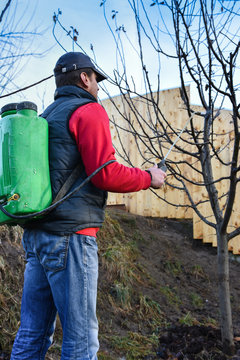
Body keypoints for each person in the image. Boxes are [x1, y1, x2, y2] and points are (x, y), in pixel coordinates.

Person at [11, 52, 166, 360]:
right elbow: (105, 172)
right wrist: (149, 177)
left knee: (32, 334)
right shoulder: (89, 111)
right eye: (96, 79)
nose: (98, 86)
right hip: (71, 239)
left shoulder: (47, 116)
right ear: (84, 78)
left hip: (38, 237)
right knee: (81, 341)